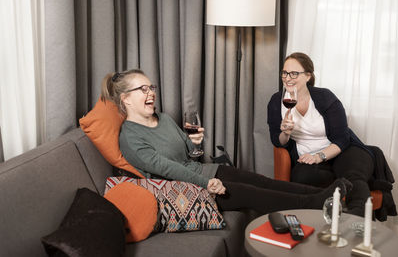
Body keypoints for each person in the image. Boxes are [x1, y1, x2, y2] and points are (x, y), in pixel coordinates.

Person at [100, 68, 352, 215]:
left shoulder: (163, 119)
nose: (151, 93)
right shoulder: (130, 137)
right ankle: (319, 203)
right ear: (125, 99)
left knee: (264, 182)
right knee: (258, 195)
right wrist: (206, 182)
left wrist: (196, 142)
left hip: (205, 172)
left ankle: (326, 193)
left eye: (151, 87)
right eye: (143, 89)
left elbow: (190, 155)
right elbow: (167, 168)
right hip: (188, 191)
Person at [267, 52, 374, 217]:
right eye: (285, 72)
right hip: (307, 157)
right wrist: (285, 133)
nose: (287, 78)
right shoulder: (276, 101)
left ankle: (359, 221)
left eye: (294, 73)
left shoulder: (325, 97)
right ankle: (321, 223)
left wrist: (319, 156)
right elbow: (277, 141)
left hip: (341, 150)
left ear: (308, 76)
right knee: (303, 177)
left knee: (353, 176)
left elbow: (342, 138)